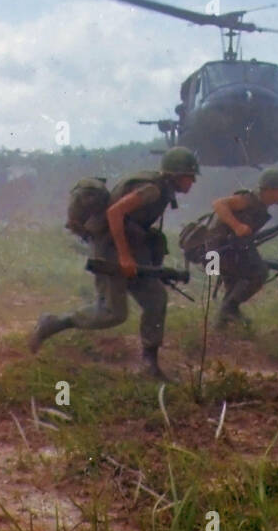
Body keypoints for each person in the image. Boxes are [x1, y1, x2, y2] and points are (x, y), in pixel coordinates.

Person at [28, 146, 199, 382]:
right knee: (112, 313)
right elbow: (115, 213)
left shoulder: (159, 188)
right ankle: (53, 323)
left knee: (156, 299)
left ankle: (150, 364)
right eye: (191, 176)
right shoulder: (152, 190)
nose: (192, 182)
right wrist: (125, 256)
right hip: (111, 248)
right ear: (177, 174)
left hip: (128, 248)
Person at [207, 168, 278, 329]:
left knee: (235, 284)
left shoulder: (260, 206)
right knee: (258, 272)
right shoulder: (249, 200)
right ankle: (228, 311)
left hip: (228, 249)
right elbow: (218, 204)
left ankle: (220, 326)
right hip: (218, 249)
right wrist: (237, 226)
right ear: (271, 190)